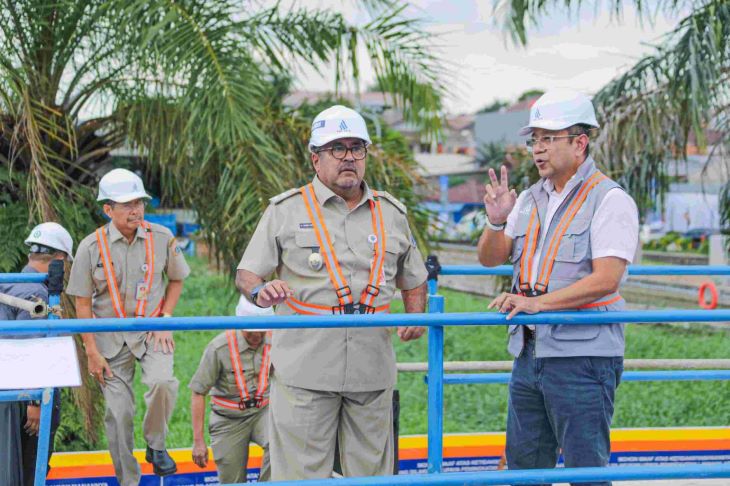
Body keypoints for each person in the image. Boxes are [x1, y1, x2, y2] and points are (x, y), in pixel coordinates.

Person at [236, 105, 428, 480]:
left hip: (371, 369)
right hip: (306, 369)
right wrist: (262, 291)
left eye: (357, 148)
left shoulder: (391, 213)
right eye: (337, 149)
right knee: (300, 475)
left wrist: (416, 317)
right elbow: (247, 273)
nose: (349, 158)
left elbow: (414, 276)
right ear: (315, 159)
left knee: (371, 474)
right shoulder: (285, 210)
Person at [476, 89, 639, 486]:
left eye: (549, 138)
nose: (538, 149)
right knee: (525, 469)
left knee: (586, 471)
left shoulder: (610, 199)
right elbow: (490, 257)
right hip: (530, 355)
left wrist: (537, 304)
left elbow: (606, 279)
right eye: (535, 139)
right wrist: (496, 222)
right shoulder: (530, 199)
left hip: (583, 358)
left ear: (579, 143)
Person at [66, 168, 190, 485]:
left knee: (163, 382)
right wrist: (91, 352)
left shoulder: (162, 238)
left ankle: (156, 444)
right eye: (126, 204)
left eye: (139, 203)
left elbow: (176, 279)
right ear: (108, 209)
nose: (135, 210)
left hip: (152, 332)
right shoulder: (89, 247)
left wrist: (165, 318)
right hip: (109, 340)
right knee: (118, 414)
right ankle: (128, 481)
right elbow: (82, 304)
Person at [0, 222, 74, 485]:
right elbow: (29, 345)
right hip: (30, 400)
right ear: (59, 259)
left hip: (11, 398)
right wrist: (34, 403)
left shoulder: (11, 285)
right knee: (32, 468)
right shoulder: (35, 293)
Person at [189, 296, 273, 484]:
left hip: (262, 413)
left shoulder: (273, 341)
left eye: (261, 331)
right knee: (232, 480)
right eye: (251, 332)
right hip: (228, 419)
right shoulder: (219, 348)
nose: (257, 336)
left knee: (280, 444)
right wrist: (198, 442)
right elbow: (198, 392)